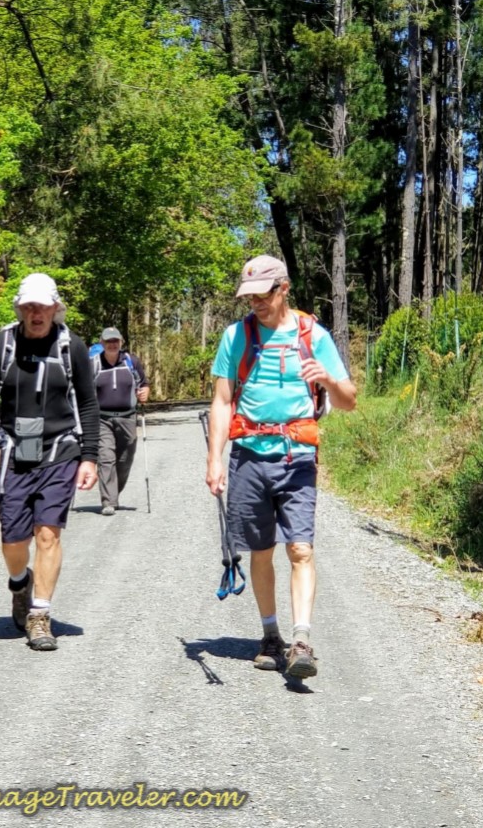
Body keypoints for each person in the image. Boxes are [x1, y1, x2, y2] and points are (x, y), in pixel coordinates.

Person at [204, 254, 357, 678]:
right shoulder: (236, 336)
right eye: (248, 296)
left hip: (298, 457)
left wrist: (325, 378)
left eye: (263, 294)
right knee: (260, 551)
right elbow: (220, 401)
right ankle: (270, 636)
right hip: (249, 457)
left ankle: (301, 639)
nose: (255, 303)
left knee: (301, 548)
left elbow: (349, 400)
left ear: (283, 289)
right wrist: (215, 458)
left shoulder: (313, 335)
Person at [0, 273, 100, 651]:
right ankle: (19, 583)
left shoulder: (70, 346)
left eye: (42, 306)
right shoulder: (1, 345)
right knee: (13, 540)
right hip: (13, 453)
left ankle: (40, 616)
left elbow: (88, 404)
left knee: (48, 534)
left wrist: (89, 457)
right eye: (29, 306)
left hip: (60, 451)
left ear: (56, 308)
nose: (35, 313)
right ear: (20, 309)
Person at [91, 327, 149, 515]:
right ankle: (109, 501)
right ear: (102, 343)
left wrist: (145, 392)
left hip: (127, 417)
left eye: (115, 340)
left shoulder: (131, 362)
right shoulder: (93, 364)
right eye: (108, 341)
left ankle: (114, 492)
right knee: (106, 458)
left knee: (125, 459)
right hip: (102, 419)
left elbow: (143, 384)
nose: (112, 344)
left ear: (121, 342)